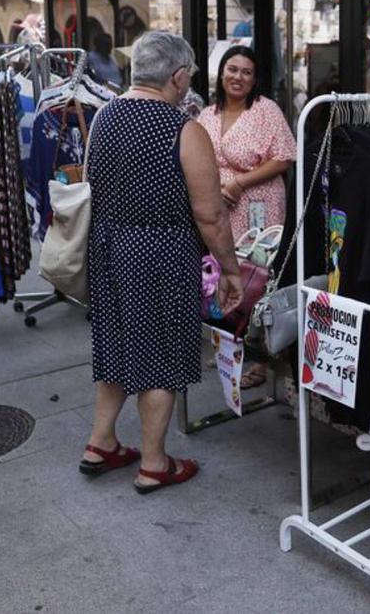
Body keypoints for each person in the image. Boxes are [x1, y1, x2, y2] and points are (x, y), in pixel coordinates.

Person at [79, 31, 242, 493]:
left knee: (115, 342)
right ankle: (154, 463)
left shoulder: (105, 116)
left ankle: (101, 442)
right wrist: (229, 269)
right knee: (161, 355)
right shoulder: (182, 129)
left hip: (108, 247)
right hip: (161, 252)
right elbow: (210, 213)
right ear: (177, 76)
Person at [196, 45, 295, 387]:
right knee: (224, 272)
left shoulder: (266, 111)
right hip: (219, 209)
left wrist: (239, 183)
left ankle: (262, 361)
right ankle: (229, 347)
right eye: (232, 69)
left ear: (255, 80)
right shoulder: (206, 115)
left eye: (246, 72)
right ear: (221, 73)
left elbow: (283, 158)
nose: (238, 77)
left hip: (259, 204)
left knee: (258, 278)